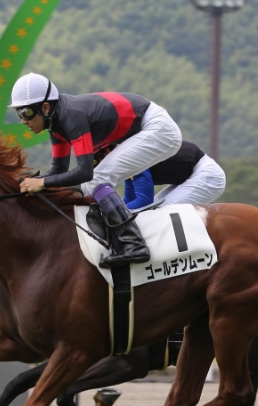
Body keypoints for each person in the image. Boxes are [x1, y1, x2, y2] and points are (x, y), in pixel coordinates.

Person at [9, 72, 182, 267]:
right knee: (90, 184)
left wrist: (41, 182)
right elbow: (58, 170)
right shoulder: (56, 125)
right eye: (19, 113)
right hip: (150, 127)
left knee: (96, 179)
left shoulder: (71, 116)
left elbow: (85, 172)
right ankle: (121, 238)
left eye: (26, 112)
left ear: (45, 107)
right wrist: (27, 185)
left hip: (158, 129)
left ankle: (134, 244)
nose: (23, 120)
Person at [93, 140, 226, 210]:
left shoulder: (130, 156)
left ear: (107, 152)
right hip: (192, 174)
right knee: (152, 211)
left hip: (207, 175)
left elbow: (144, 200)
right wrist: (115, 209)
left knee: (160, 214)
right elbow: (130, 197)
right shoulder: (124, 157)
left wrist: (113, 212)